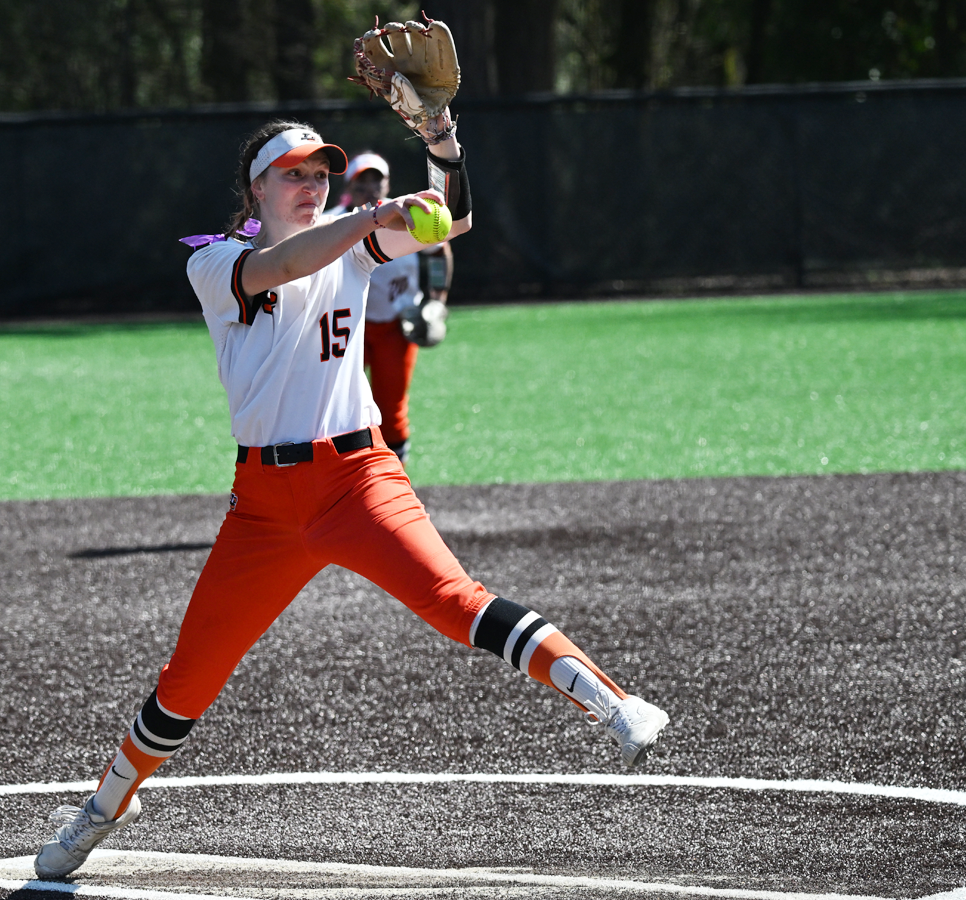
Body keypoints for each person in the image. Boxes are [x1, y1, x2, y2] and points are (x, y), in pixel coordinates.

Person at [33, 113, 668, 881]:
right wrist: (367, 215)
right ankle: (106, 805)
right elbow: (285, 266)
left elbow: (454, 220)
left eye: (319, 172)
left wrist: (442, 149)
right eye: (293, 173)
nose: (311, 185)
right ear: (256, 187)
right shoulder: (218, 261)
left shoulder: (350, 242)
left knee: (453, 598)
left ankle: (614, 703)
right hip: (263, 506)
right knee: (190, 678)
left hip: (359, 480)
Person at [327, 151, 452, 463]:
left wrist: (437, 300)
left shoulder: (410, 215)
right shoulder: (332, 220)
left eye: (376, 179)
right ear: (349, 184)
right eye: (362, 179)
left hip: (397, 325)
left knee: (391, 407)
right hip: (347, 329)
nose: (370, 186)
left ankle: (397, 478)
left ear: (387, 183)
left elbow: (439, 250)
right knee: (337, 406)